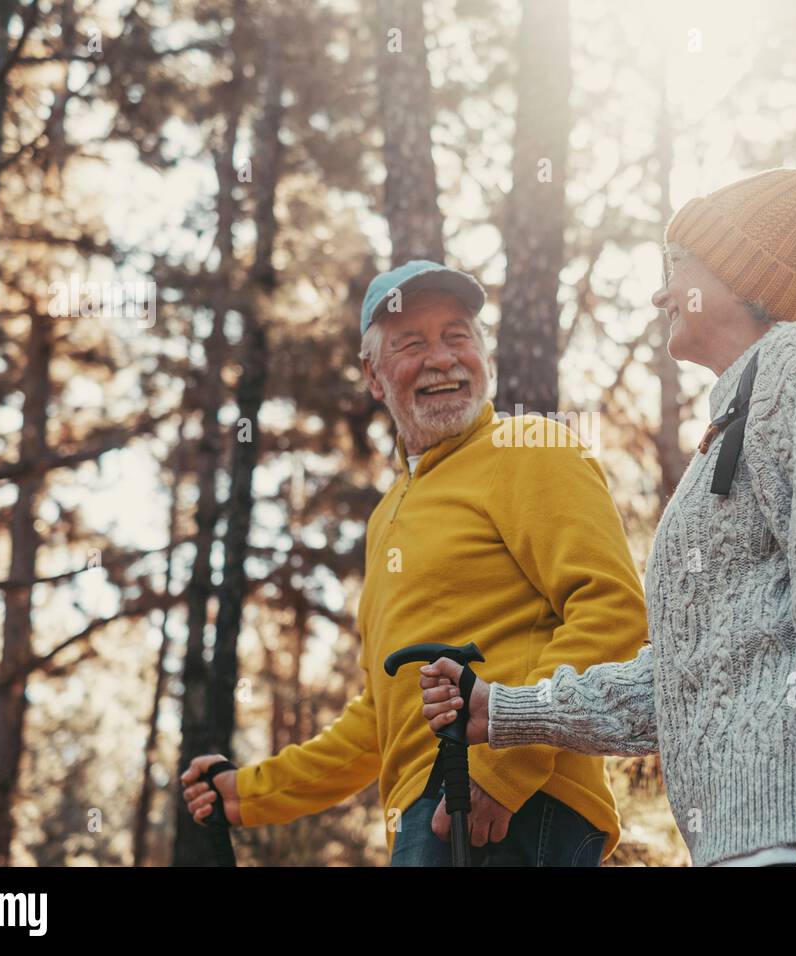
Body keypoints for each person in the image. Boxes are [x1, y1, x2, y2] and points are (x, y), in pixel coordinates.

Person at [420, 169, 796, 867]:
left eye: (676, 268)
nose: (661, 293)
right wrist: (507, 711)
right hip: (757, 843)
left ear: (740, 274)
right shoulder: (731, 424)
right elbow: (687, 678)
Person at [182, 259, 648, 866]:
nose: (442, 358)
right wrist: (247, 794)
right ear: (372, 376)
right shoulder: (387, 518)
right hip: (426, 814)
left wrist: (502, 772)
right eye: (412, 344)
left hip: (518, 805)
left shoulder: (529, 449)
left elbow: (614, 613)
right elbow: (382, 711)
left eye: (458, 336)